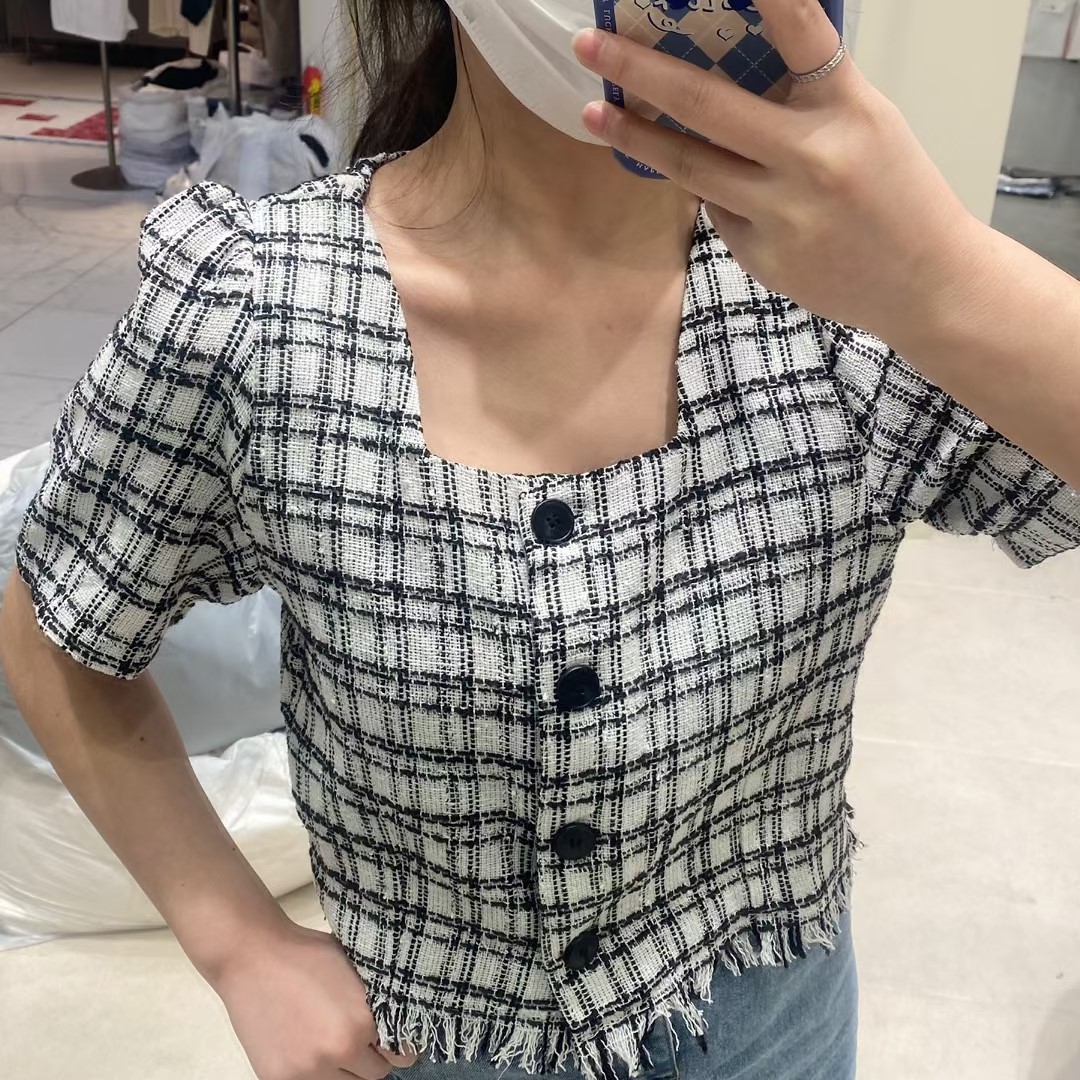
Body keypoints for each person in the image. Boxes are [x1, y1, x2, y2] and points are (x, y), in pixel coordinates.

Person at [2, 1, 1079, 1079]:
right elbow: (54, 621)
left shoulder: (851, 299)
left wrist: (943, 276)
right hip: (432, 1047)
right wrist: (239, 943)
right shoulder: (263, 307)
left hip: (775, 1021)